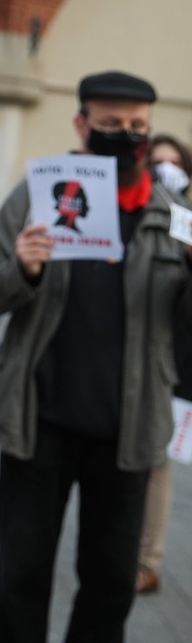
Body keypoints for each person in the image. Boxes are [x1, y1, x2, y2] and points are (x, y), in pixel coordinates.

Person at [0, 71, 192, 643]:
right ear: (81, 124)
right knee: (22, 581)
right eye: (112, 124)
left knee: (110, 586)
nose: (126, 137)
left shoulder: (174, 216)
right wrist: (25, 267)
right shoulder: (39, 194)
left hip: (129, 433)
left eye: (138, 128)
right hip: (37, 422)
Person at [135, 133, 192, 595]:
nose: (165, 175)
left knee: (157, 459)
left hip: (174, 359)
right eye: (157, 166)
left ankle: (148, 559)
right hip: (133, 350)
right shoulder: (138, 213)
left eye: (174, 166)